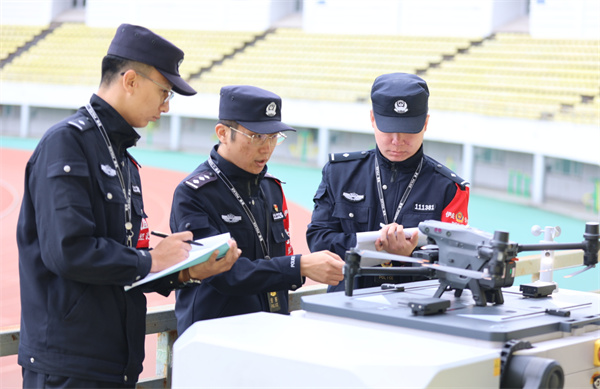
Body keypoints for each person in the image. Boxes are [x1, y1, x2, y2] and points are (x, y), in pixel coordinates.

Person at [16, 24, 240, 388]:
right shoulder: (67, 144)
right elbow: (69, 251)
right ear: (131, 80)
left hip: (111, 361)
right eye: (165, 92)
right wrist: (153, 260)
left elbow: (121, 261)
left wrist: (183, 271)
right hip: (68, 365)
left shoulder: (119, 154)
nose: (166, 107)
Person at [170, 85, 345, 335]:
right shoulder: (194, 194)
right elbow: (223, 274)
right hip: (214, 339)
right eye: (256, 137)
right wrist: (299, 266)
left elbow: (278, 257)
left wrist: (298, 268)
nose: (267, 148)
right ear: (222, 133)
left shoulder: (271, 188)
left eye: (274, 137)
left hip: (269, 332)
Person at [306, 72, 470, 292]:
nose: (397, 140)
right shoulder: (339, 173)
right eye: (388, 128)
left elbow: (458, 261)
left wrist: (412, 255)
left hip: (417, 308)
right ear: (373, 119)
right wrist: (380, 249)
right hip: (348, 303)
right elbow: (318, 241)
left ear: (426, 123)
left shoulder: (448, 188)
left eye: (408, 130)